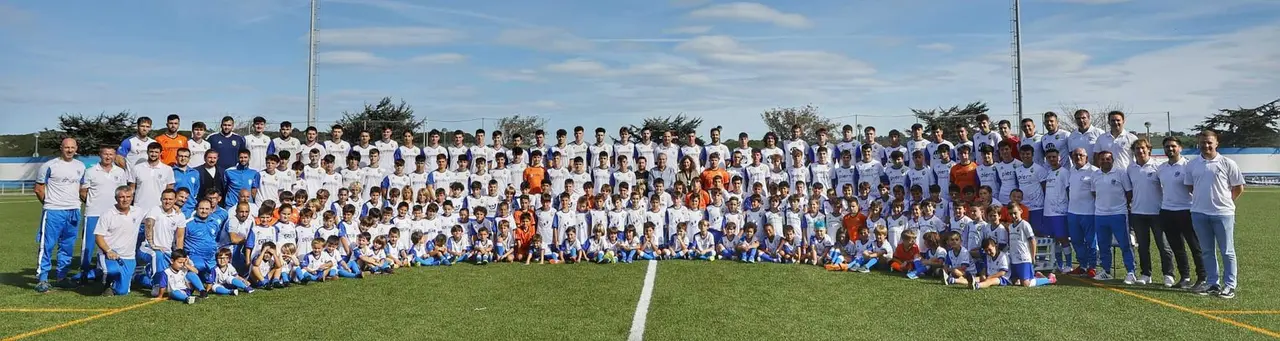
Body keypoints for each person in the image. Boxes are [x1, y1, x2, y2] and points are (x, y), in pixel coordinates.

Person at [1185, 130, 1244, 299]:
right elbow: (1190, 187)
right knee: (1207, 251)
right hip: (1198, 213)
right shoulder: (1192, 164)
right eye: (1203, 142)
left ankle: (1230, 285)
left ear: (1216, 143)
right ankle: (1213, 283)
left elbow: (1238, 187)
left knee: (1227, 251)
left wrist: (1226, 202)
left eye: (1209, 142)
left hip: (1223, 213)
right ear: (1199, 144)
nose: (1206, 145)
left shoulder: (1227, 163)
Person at [34, 138, 87, 292]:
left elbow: (82, 188)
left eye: (72, 147)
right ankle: (42, 278)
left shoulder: (80, 166)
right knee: (47, 245)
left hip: (74, 210)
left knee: (67, 246)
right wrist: (49, 204)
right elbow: (39, 189)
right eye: (66, 147)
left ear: (76, 148)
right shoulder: (49, 166)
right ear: (61, 148)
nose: (69, 150)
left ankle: (62, 277)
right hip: (54, 211)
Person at [1156, 137, 1205, 289]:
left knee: (1195, 246)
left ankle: (1203, 277)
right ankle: (1185, 277)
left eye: (1173, 146)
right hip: (1167, 211)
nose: (1170, 149)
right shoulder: (1161, 168)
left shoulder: (1188, 166)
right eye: (1167, 147)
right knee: (1177, 248)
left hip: (1186, 210)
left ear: (1180, 148)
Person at [78, 145, 128, 283]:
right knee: (88, 245)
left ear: (115, 156)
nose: (108, 157)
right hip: (94, 213)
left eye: (111, 154)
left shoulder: (120, 172)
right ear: (100, 154)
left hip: (113, 213)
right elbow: (83, 191)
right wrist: (92, 203)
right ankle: (84, 271)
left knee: (111, 243)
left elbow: (124, 191)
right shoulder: (91, 171)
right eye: (105, 154)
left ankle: (106, 269)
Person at [1127, 139, 1169, 286]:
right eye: (1137, 148)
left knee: (1163, 246)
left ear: (1149, 149)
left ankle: (1168, 274)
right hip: (1138, 213)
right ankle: (1146, 274)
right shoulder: (1130, 168)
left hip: (1157, 213)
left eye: (1143, 148)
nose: (1140, 151)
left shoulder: (1158, 166)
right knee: (1143, 247)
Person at [1092, 150, 1135, 284]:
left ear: (1113, 160)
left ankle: (1130, 272)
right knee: (1104, 245)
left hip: (1118, 214)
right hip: (1100, 215)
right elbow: (1094, 193)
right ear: (1098, 161)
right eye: (1102, 159)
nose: (1105, 161)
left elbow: (1129, 193)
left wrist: (1120, 206)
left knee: (1125, 244)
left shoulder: (1121, 173)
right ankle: (1106, 271)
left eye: (1108, 159)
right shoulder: (1095, 175)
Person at [94, 186, 144, 296]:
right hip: (109, 254)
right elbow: (98, 236)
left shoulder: (138, 211)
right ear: (116, 198)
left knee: (122, 292)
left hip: (129, 256)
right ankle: (103, 282)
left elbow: (154, 216)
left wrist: (176, 208)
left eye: (128, 197)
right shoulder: (108, 214)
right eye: (121, 197)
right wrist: (108, 250)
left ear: (132, 198)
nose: (125, 200)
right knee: (110, 271)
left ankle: (113, 285)